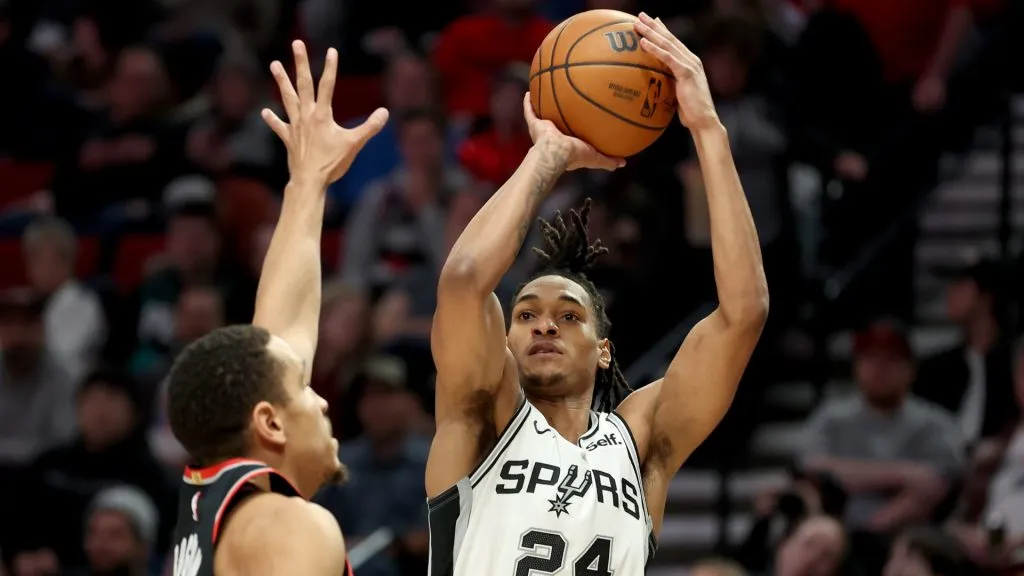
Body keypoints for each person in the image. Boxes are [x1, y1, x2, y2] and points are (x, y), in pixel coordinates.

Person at [425, 13, 769, 575]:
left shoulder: (639, 442)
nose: (543, 325)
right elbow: (464, 281)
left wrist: (708, 129)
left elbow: (745, 313)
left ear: (604, 350)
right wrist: (546, 158)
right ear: (504, 344)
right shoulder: (481, 420)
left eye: (568, 316)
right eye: (526, 314)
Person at [165, 40, 388, 576]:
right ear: (269, 422)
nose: (322, 401)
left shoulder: (210, 509)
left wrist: (307, 185)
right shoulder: (286, 524)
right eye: (304, 390)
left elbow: (279, 341)